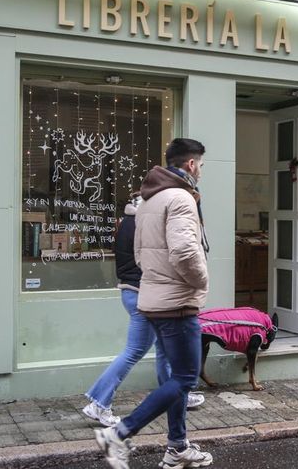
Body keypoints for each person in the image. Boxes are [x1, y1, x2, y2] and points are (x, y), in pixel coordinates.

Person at [95, 138, 212, 469]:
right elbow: (185, 252)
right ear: (190, 164)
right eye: (200, 165)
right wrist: (201, 282)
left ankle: (177, 447)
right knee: (186, 378)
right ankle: (118, 432)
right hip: (177, 302)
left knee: (174, 377)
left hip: (154, 298)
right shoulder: (181, 198)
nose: (201, 171)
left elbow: (138, 255)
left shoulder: (149, 201)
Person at [81, 195, 204, 428]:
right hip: (142, 295)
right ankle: (98, 402)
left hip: (134, 292)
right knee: (135, 350)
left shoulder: (127, 222)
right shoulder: (141, 224)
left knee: (165, 348)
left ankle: (177, 396)